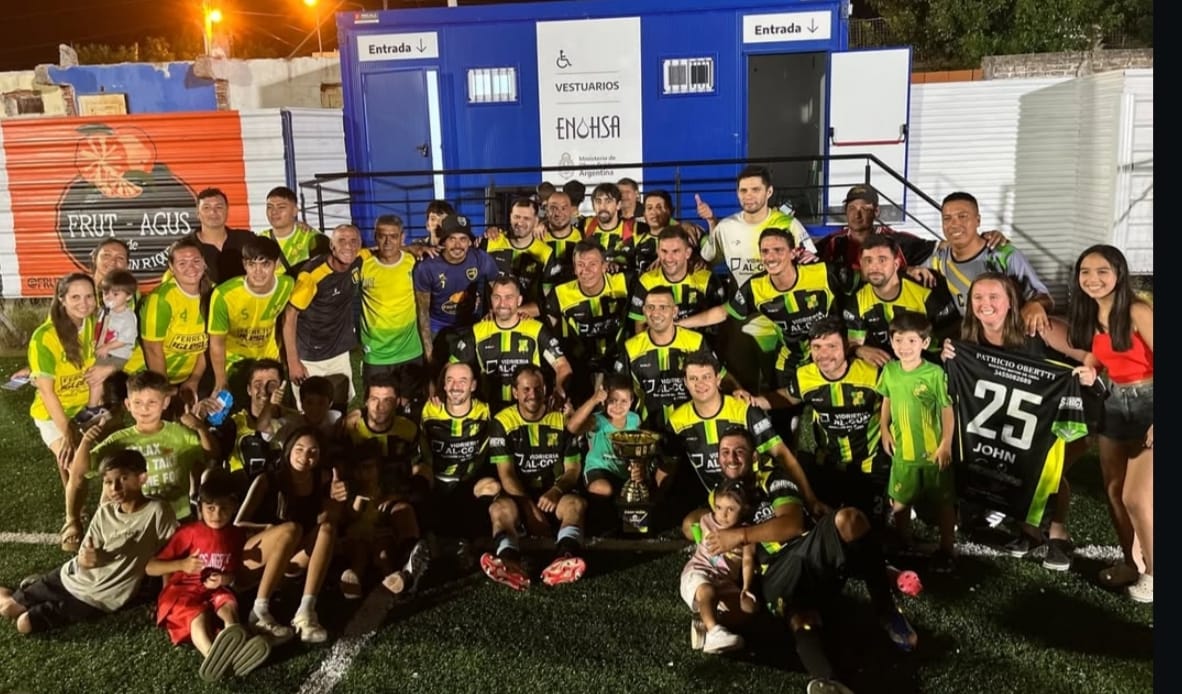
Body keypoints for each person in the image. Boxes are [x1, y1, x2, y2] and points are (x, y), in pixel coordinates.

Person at [704, 428, 916, 693]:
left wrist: (740, 536)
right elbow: (704, 526)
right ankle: (827, 683)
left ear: (754, 456)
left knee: (850, 519)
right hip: (774, 575)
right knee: (802, 616)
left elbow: (792, 524)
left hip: (805, 549)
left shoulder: (773, 478)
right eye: (725, 452)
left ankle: (887, 612)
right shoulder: (719, 493)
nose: (731, 458)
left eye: (739, 451)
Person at [940, 273, 1098, 571]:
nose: (985, 304)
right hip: (1019, 419)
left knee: (1050, 472)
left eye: (994, 297)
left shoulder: (1037, 326)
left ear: (1011, 301)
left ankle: (1058, 533)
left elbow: (1090, 354)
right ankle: (1030, 532)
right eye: (978, 297)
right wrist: (949, 354)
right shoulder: (968, 337)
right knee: (1022, 469)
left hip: (1068, 412)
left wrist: (1090, 370)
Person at [0, 450, 177, 635]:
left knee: (24, 624)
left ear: (142, 478)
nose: (115, 488)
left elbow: (171, 553)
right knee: (7, 608)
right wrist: (87, 559)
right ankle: (22, 590)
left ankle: (31, 589)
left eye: (123, 479)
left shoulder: (157, 511)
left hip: (96, 597)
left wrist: (166, 597)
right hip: (71, 576)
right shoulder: (105, 512)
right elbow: (84, 557)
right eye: (108, 482)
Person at [1067, 245, 1153, 602]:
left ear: (1119, 273)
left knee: (1137, 496)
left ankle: (1154, 574)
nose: (1093, 279)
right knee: (1116, 493)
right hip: (1114, 405)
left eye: (1102, 271)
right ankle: (1132, 564)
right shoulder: (1091, 313)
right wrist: (1091, 368)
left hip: (1150, 402)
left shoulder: (1137, 310)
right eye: (1085, 271)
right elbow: (1099, 352)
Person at [746, 317, 888, 531]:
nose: (824, 354)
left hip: (870, 464)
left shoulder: (873, 372)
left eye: (832, 346)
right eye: (817, 347)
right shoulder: (806, 376)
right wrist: (753, 401)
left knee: (869, 529)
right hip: (830, 463)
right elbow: (788, 397)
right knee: (824, 525)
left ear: (846, 346)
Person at [669, 353, 825, 540]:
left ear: (718, 379)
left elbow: (782, 454)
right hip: (720, 504)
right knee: (689, 525)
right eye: (693, 378)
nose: (700, 384)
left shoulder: (743, 409)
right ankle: (727, 547)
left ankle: (746, 539)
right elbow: (667, 463)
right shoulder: (677, 421)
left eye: (706, 377)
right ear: (685, 382)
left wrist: (810, 499)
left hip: (755, 500)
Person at [680, 227, 844, 395]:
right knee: (783, 407)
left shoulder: (823, 272)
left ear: (793, 253)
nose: (770, 257)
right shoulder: (756, 287)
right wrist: (678, 324)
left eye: (778, 250)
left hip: (832, 356)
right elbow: (723, 312)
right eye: (765, 251)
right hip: (791, 362)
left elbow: (856, 289)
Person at [147, 470, 269, 682]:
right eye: (210, 508)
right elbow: (150, 567)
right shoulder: (189, 533)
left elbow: (233, 572)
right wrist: (182, 565)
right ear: (200, 508)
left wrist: (225, 579)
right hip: (183, 591)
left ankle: (234, 639)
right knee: (198, 616)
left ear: (234, 507)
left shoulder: (237, 535)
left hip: (216, 590)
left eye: (223, 508)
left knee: (228, 605)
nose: (217, 514)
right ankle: (211, 655)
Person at [68, 370, 216, 537]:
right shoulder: (118, 441)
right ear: (128, 404)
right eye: (137, 403)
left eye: (152, 402)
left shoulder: (180, 434)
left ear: (165, 402)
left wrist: (200, 428)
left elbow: (211, 455)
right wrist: (86, 442)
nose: (144, 409)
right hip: (134, 522)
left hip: (178, 518)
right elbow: (80, 471)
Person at [235, 427, 348, 643]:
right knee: (291, 529)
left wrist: (337, 501)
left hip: (290, 561)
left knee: (327, 528)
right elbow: (237, 524)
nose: (305, 456)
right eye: (299, 449)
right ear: (288, 450)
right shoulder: (267, 480)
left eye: (313, 452)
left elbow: (332, 519)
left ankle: (306, 612)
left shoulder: (321, 479)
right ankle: (258, 612)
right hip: (255, 557)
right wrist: (267, 529)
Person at [480, 365, 587, 591]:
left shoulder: (562, 418)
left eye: (538, 388)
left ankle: (564, 559)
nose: (533, 394)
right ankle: (509, 561)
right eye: (526, 389)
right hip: (520, 497)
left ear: (546, 389)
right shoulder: (502, 422)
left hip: (554, 495)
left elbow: (573, 469)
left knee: (575, 504)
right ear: (515, 392)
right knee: (499, 508)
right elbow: (506, 474)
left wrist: (556, 491)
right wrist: (530, 511)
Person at [876, 313, 957, 571]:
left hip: (933, 453)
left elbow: (947, 409)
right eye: (898, 340)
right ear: (891, 341)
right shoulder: (890, 371)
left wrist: (946, 444)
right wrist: (884, 429)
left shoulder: (934, 373)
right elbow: (886, 399)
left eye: (912, 341)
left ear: (925, 343)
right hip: (903, 452)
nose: (904, 347)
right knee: (900, 500)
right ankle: (904, 541)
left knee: (943, 502)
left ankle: (947, 548)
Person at [910, 191, 1053, 335]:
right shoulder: (939, 259)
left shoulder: (1003, 255)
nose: (954, 224)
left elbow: (1045, 298)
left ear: (978, 220)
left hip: (1010, 335)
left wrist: (1036, 305)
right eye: (947, 218)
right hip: (971, 337)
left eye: (962, 216)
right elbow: (903, 271)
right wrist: (911, 270)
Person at [27, 273, 104, 489]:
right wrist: (67, 432)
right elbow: (47, 392)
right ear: (62, 299)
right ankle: (74, 510)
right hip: (53, 413)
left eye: (89, 296)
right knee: (77, 467)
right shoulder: (44, 337)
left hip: (85, 407)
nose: (84, 303)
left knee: (111, 460)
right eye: (75, 297)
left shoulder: (95, 324)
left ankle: (105, 504)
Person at [616, 286, 728, 435]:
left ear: (674, 311)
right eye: (650, 307)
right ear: (643, 311)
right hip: (648, 431)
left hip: (691, 430)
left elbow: (719, 376)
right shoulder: (631, 348)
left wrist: (738, 390)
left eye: (663, 307)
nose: (656, 313)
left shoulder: (695, 342)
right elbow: (618, 390)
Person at [451, 276, 572, 412]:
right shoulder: (477, 331)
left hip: (529, 412)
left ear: (519, 300)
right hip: (490, 412)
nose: (502, 303)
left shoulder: (536, 330)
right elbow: (450, 367)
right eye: (497, 297)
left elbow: (562, 366)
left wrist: (559, 389)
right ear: (491, 299)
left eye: (509, 297)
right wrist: (439, 394)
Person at [207, 235, 295, 409]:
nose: (258, 271)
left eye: (265, 264)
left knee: (275, 412)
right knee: (236, 414)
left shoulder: (287, 285)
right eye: (252, 264)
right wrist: (220, 381)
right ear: (244, 264)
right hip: (235, 362)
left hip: (269, 359)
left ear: (276, 264)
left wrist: (290, 360)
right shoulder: (223, 294)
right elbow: (217, 341)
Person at [844, 234, 959, 366]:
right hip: (886, 370)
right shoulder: (857, 300)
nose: (874, 267)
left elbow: (952, 335)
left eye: (882, 260)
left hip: (930, 367)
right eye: (868, 261)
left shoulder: (925, 290)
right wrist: (859, 350)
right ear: (861, 265)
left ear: (896, 264)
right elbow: (854, 343)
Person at [283, 223, 363, 411]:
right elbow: (289, 316)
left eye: (353, 241)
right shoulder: (311, 276)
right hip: (310, 356)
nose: (348, 246)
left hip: (338, 351)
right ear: (332, 246)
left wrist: (414, 248)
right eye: (341, 240)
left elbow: (381, 251)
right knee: (309, 412)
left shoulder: (359, 259)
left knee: (340, 408)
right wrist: (293, 362)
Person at [419, 362, 499, 542]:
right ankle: (426, 541)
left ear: (473, 385)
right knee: (418, 476)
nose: (455, 386)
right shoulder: (429, 410)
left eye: (463, 381)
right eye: (450, 380)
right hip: (436, 482)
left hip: (468, 482)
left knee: (492, 486)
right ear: (444, 385)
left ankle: (476, 542)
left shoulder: (486, 411)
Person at [412, 214, 501, 373]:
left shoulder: (481, 259)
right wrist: (429, 352)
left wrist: (492, 312)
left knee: (471, 375)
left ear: (470, 242)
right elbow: (423, 312)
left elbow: (499, 290)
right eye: (452, 239)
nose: (457, 245)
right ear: (443, 241)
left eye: (463, 239)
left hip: (471, 326)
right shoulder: (427, 267)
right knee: (439, 376)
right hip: (438, 329)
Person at [544, 240, 630, 403]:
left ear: (604, 266)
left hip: (618, 360)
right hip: (580, 364)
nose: (586, 270)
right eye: (581, 265)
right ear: (574, 268)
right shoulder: (560, 293)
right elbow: (549, 334)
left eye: (593, 264)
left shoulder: (623, 282)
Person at [681, 478, 757, 654]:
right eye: (719, 507)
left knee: (746, 611)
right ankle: (715, 632)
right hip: (699, 572)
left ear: (744, 509)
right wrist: (698, 539)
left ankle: (705, 623)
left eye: (731, 509)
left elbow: (747, 560)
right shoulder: (708, 520)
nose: (723, 514)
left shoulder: (746, 533)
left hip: (724, 581)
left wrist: (746, 587)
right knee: (707, 590)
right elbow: (694, 521)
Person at [358, 215, 426, 411]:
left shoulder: (414, 262)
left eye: (394, 236)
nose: (387, 242)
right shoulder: (363, 264)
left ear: (402, 237)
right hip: (376, 354)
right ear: (375, 237)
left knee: (410, 410)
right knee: (377, 410)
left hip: (410, 351)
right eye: (382, 236)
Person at [815, 185, 938, 292]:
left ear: (876, 211)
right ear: (845, 211)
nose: (857, 215)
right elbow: (808, 258)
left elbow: (939, 247)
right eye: (852, 208)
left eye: (864, 209)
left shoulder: (895, 240)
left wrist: (911, 270)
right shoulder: (833, 242)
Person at [140, 237, 214, 404]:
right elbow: (152, 349)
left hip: (188, 378)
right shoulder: (161, 299)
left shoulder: (214, 294)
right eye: (182, 263)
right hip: (150, 377)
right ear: (172, 268)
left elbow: (211, 342)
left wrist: (194, 379)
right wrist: (164, 389)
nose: (191, 268)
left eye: (196, 261)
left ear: (204, 263)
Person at [627, 225, 727, 334]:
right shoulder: (646, 281)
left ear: (687, 253)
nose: (669, 258)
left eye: (675, 251)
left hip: (699, 343)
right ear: (658, 252)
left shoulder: (707, 279)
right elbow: (640, 327)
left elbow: (722, 321)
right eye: (664, 251)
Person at [566, 375, 643, 500]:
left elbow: (638, 449)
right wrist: (593, 400)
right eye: (612, 400)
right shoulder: (597, 420)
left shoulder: (635, 420)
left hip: (623, 472)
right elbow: (572, 428)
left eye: (623, 401)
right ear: (605, 400)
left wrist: (638, 467)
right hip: (598, 470)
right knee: (603, 489)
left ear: (631, 401)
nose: (618, 406)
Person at [482, 198, 561, 310]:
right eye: (517, 217)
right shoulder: (490, 242)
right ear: (510, 217)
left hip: (527, 318)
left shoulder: (545, 252)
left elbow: (548, 300)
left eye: (526, 218)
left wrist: (514, 314)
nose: (520, 223)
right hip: (491, 317)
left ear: (536, 221)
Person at [185, 187, 257, 284]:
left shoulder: (247, 239)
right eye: (206, 208)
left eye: (219, 207)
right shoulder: (185, 247)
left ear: (227, 211)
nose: (213, 212)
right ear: (198, 213)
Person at [258, 185, 328, 275]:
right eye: (269, 207)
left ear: (295, 211)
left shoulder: (311, 238)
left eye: (281, 207)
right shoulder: (260, 240)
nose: (274, 212)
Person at [583, 182, 647, 273]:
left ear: (618, 205)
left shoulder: (636, 228)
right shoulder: (584, 225)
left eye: (608, 201)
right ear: (593, 206)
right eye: (598, 201)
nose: (602, 206)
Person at [539, 190, 585, 288]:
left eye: (564, 208)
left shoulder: (583, 236)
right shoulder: (537, 236)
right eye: (553, 208)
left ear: (572, 211)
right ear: (546, 210)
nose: (558, 213)